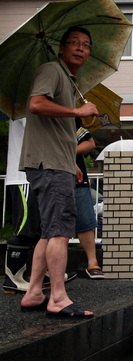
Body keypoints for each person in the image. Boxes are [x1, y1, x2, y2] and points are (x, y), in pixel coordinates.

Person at [18, 26, 98, 317]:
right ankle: (58, 298)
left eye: (86, 45)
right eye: (74, 43)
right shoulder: (52, 70)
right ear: (62, 48)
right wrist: (78, 112)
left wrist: (72, 164)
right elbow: (37, 104)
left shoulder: (67, 78)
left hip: (57, 163)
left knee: (49, 231)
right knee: (61, 231)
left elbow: (59, 132)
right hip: (48, 164)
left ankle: (34, 292)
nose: (80, 48)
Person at [3, 118, 77, 293]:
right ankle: (13, 278)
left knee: (42, 230)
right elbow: (43, 132)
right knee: (25, 229)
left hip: (39, 174)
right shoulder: (27, 107)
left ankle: (42, 275)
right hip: (23, 177)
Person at [75, 121, 105, 279]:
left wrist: (66, 152)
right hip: (53, 177)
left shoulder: (73, 121)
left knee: (85, 221)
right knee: (54, 225)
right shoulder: (45, 121)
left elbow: (89, 143)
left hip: (78, 180)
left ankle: (92, 262)